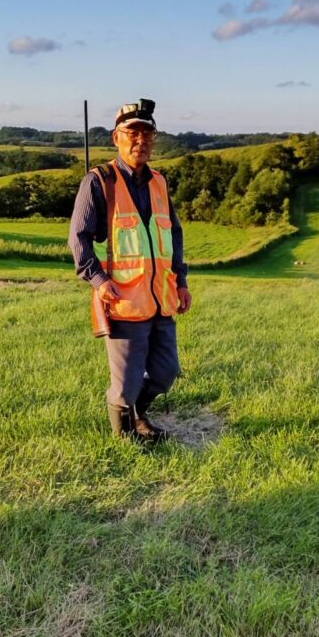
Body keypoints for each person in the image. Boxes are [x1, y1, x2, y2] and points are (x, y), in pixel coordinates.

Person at [69, 99, 192, 443]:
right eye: (132, 133)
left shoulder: (159, 182)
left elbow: (174, 234)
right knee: (125, 383)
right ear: (116, 138)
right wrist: (98, 279)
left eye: (147, 133)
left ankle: (139, 414)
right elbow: (78, 238)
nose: (140, 140)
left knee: (166, 373)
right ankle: (125, 440)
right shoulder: (99, 182)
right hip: (123, 300)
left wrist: (181, 281)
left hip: (161, 299)